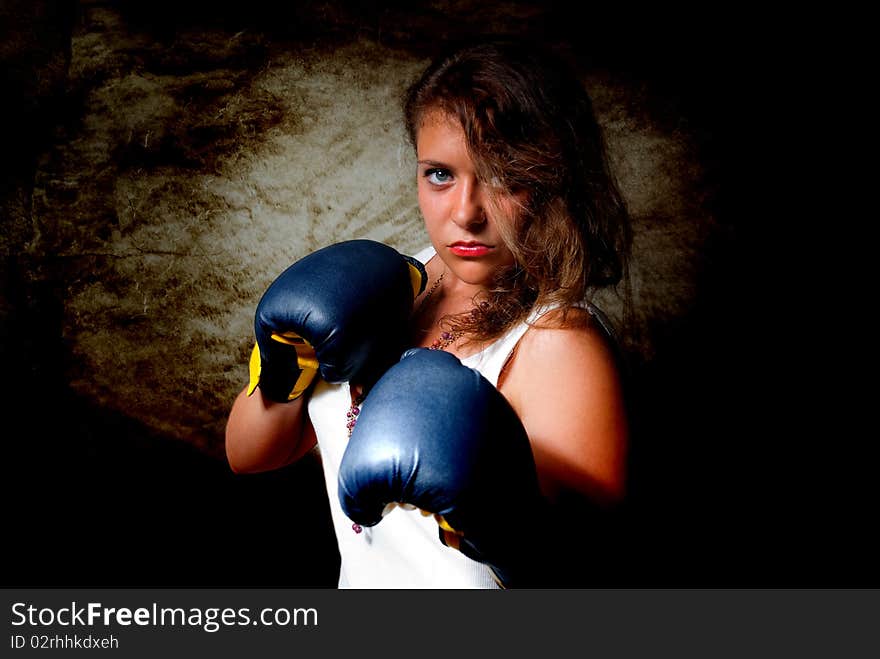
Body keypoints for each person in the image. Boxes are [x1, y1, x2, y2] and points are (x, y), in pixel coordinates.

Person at [225, 38, 632, 588]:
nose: (465, 213)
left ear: (552, 179)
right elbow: (249, 455)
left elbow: (590, 577)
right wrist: (281, 368)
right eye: (440, 174)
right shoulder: (387, 283)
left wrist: (503, 524)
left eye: (503, 176)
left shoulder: (559, 344)